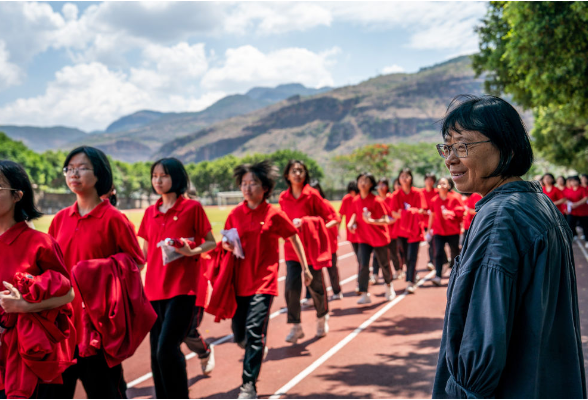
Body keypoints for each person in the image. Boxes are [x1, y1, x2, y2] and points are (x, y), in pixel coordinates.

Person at [433, 95, 585, 399]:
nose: (450, 158)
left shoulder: (500, 218)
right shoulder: (538, 203)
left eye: (462, 146)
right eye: (447, 147)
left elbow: (480, 343)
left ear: (507, 146)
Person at [49, 147, 145, 398]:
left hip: (97, 327)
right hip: (61, 327)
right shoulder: (59, 219)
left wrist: (96, 270)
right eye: (69, 168)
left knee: (105, 391)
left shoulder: (114, 218)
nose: (74, 174)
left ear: (99, 174)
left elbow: (136, 263)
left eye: (82, 168)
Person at [225, 161, 307, 400]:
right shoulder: (234, 214)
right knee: (239, 334)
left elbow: (293, 237)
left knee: (253, 331)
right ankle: (255, 346)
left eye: (253, 184)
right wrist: (226, 245)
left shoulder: (274, 214)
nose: (247, 188)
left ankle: (248, 385)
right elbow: (227, 241)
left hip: (264, 282)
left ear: (266, 188)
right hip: (239, 283)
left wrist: (306, 267)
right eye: (244, 183)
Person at [138, 158, 217, 399]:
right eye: (154, 176)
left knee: (166, 350)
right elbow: (143, 252)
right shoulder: (150, 212)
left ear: (177, 178)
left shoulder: (192, 208)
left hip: (183, 290)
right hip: (153, 290)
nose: (158, 181)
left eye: (164, 176)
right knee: (155, 354)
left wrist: (190, 250)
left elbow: (211, 242)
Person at [0, 161, 76, 398]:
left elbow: (68, 293)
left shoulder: (39, 243)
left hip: (26, 356)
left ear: (17, 196)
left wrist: (24, 305)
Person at [279, 160, 337, 344]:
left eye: (301, 171)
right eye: (293, 171)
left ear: (305, 174)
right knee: (291, 289)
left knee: (316, 287)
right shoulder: (283, 198)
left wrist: (313, 228)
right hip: (292, 250)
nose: (297, 174)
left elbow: (333, 217)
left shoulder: (312, 195)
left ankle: (322, 317)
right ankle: (296, 326)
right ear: (287, 175)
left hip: (312, 251)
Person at [347, 172, 396, 304]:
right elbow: (355, 215)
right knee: (363, 265)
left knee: (384, 264)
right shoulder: (356, 200)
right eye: (361, 180)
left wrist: (372, 221)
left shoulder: (377, 201)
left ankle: (389, 286)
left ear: (371, 184)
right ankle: (364, 293)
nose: (363, 183)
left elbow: (388, 219)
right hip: (363, 238)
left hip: (379, 238)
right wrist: (351, 223)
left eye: (366, 181)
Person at [389, 168, 426, 294]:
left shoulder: (418, 193)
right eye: (402, 176)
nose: (404, 178)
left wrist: (407, 213)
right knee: (404, 256)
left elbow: (421, 210)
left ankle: (410, 281)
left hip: (415, 230)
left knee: (412, 256)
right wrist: (409, 213)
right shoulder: (396, 195)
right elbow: (393, 213)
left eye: (407, 176)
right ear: (399, 179)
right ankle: (412, 273)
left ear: (411, 178)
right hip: (402, 231)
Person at [310, 180, 343, 301]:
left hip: (328, 243)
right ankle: (312, 296)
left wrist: (322, 227)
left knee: (332, 269)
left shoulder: (325, 204)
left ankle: (336, 291)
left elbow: (336, 219)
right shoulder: (307, 206)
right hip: (314, 245)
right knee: (313, 271)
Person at [427, 177, 464, 286]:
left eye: (444, 183)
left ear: (449, 186)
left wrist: (450, 213)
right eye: (440, 183)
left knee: (455, 252)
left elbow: (461, 212)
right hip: (439, 231)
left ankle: (456, 272)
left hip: (453, 231)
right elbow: (432, 215)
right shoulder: (434, 200)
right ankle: (438, 275)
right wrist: (429, 230)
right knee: (438, 252)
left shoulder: (456, 198)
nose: (442, 185)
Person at [372, 178, 403, 283]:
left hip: (392, 231)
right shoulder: (375, 199)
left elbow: (394, 213)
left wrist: (389, 221)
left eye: (383, 185)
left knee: (394, 253)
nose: (380, 187)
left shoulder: (391, 198)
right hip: (379, 232)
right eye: (378, 185)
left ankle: (398, 270)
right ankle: (375, 274)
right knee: (376, 255)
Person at [563, 175, 588, 244]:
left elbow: (585, 198)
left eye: (574, 180)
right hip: (572, 211)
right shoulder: (568, 190)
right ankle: (572, 237)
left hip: (583, 211)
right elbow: (564, 199)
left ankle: (587, 240)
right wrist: (565, 207)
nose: (573, 182)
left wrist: (577, 204)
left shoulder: (582, 189)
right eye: (571, 181)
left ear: (578, 181)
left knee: (585, 226)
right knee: (570, 224)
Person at [421, 173, 438, 271]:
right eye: (427, 179)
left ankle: (432, 261)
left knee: (433, 243)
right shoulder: (421, 193)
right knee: (429, 243)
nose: (429, 182)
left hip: (434, 223)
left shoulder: (436, 192)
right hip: (423, 223)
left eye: (431, 180)